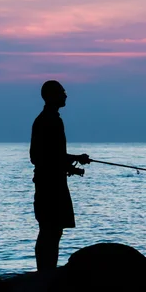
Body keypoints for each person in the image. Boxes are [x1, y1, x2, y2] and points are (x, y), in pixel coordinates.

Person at [30, 80, 91, 272]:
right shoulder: (49, 120)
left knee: (52, 230)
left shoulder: (48, 119)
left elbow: (50, 156)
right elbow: (39, 156)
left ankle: (46, 271)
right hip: (50, 185)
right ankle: (46, 272)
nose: (65, 95)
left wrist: (71, 164)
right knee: (51, 229)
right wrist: (73, 160)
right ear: (52, 96)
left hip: (51, 182)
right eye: (62, 92)